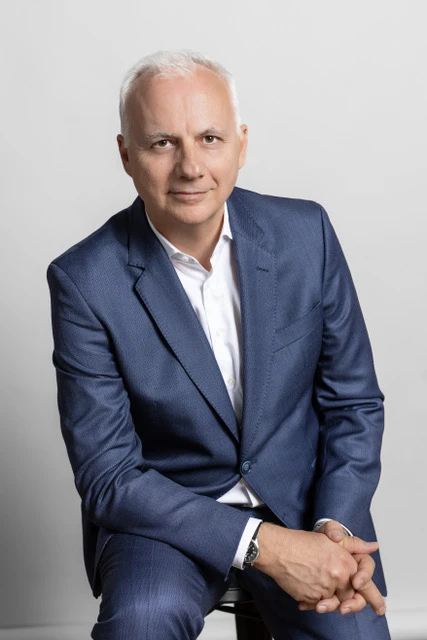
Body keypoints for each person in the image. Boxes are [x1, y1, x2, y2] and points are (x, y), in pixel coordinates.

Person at [47, 50, 390, 639]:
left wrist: (333, 527)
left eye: (209, 138)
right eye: (161, 143)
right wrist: (265, 547)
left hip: (307, 506)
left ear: (241, 144)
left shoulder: (306, 235)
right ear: (126, 155)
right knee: (141, 625)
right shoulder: (84, 280)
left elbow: (353, 403)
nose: (190, 167)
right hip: (165, 523)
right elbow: (109, 476)